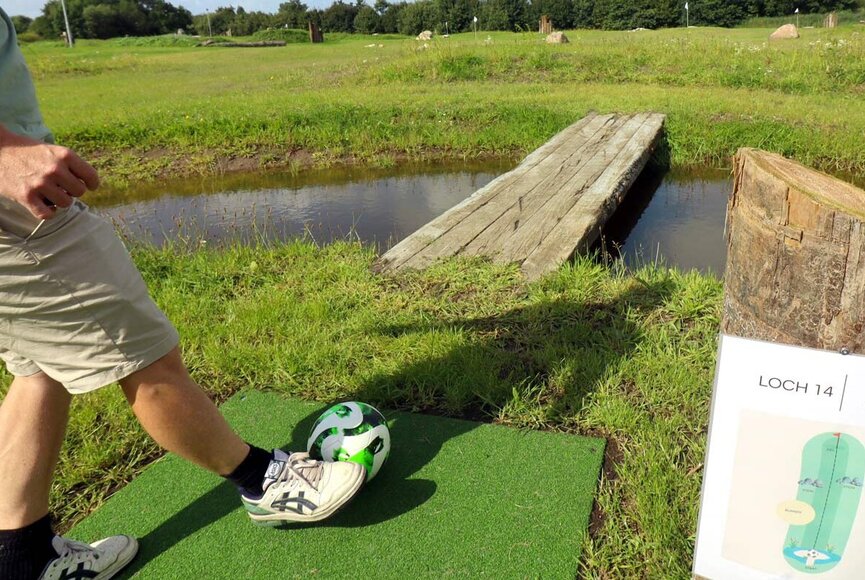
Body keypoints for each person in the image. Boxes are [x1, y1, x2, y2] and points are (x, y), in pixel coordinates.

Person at [0, 9, 366, 580]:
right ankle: (262, 481)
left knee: (39, 368)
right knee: (149, 360)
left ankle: (19, 558)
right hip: (15, 213)